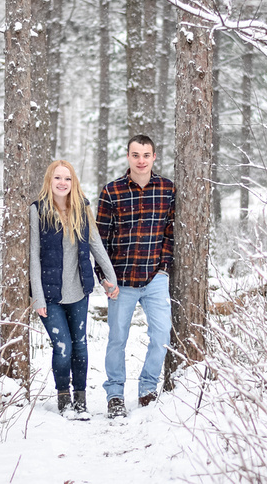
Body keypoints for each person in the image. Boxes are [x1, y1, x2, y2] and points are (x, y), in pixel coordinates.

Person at [30, 160, 119, 419]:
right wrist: (37, 296)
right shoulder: (38, 210)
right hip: (50, 293)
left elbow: (96, 245)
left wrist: (110, 278)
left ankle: (80, 400)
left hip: (79, 290)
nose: (62, 183)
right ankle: (63, 399)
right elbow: (33, 256)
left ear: (73, 182)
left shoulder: (83, 208)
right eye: (57, 178)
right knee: (63, 347)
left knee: (80, 345)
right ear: (49, 180)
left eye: (67, 179)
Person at [95, 135, 175, 418]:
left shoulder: (167, 189)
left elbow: (169, 231)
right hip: (121, 280)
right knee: (117, 339)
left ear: (154, 157)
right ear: (127, 157)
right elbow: (100, 239)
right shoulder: (112, 191)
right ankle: (115, 394)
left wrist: (164, 266)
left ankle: (147, 388)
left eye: (146, 154)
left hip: (155, 277)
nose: (141, 160)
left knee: (162, 335)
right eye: (135, 154)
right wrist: (105, 277)